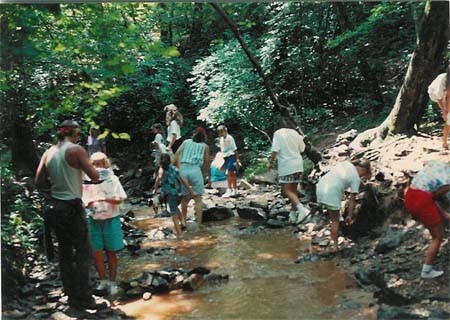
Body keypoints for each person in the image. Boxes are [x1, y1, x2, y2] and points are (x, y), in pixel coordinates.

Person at [35, 120, 107, 311]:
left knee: (65, 253)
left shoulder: (48, 152)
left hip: (55, 207)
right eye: (78, 134)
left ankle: (70, 294)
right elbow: (94, 176)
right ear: (74, 133)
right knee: (83, 252)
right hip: (72, 207)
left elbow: (39, 181)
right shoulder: (76, 150)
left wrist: (55, 188)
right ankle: (85, 297)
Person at [82, 152, 127, 296]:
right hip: (93, 220)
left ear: (105, 164)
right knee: (97, 252)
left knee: (111, 251)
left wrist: (105, 199)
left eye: (100, 163)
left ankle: (113, 282)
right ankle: (103, 281)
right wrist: (89, 203)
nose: (97, 167)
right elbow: (84, 201)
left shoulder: (112, 179)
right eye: (94, 164)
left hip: (111, 218)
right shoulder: (86, 181)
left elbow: (119, 199)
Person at [404, 160, 450, 279]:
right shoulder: (448, 181)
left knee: (435, 231)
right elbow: (434, 196)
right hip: (422, 202)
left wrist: (444, 213)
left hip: (410, 194)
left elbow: (430, 195)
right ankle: (427, 271)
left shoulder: (436, 163)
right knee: (438, 237)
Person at [316, 159, 371, 252]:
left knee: (333, 213)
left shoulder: (346, 164)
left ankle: (334, 236)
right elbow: (352, 200)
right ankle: (335, 246)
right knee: (335, 220)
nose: (362, 176)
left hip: (321, 186)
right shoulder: (356, 178)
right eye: (364, 173)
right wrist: (350, 215)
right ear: (364, 170)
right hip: (332, 191)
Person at [269, 117, 309, 224]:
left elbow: (275, 150)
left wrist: (271, 162)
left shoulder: (278, 133)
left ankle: (302, 209)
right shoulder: (296, 133)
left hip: (287, 166)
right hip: (298, 165)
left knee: (286, 190)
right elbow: (302, 149)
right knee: (293, 190)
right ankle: (293, 214)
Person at [174, 127, 210, 227]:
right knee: (198, 199)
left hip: (183, 169)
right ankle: (199, 224)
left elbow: (176, 155)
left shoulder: (186, 142)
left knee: (184, 198)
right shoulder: (205, 146)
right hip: (195, 170)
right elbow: (207, 162)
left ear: (194, 134)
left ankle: (184, 222)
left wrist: (174, 168)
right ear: (204, 136)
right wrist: (208, 175)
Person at [153, 153, 192, 237]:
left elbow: (158, 179)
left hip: (171, 194)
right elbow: (183, 180)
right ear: (170, 161)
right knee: (175, 207)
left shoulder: (161, 170)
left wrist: (155, 190)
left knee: (173, 214)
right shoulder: (175, 169)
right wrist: (190, 190)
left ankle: (179, 235)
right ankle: (183, 223)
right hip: (179, 193)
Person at [428, 66, 450, 150]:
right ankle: (444, 142)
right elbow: (439, 98)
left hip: (446, 95)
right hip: (435, 93)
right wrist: (444, 111)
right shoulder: (442, 79)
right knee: (448, 119)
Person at [217, 125, 240, 197]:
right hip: (225, 157)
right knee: (230, 174)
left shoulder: (230, 138)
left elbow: (235, 149)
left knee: (229, 173)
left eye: (222, 132)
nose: (221, 134)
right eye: (219, 133)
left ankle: (230, 189)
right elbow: (222, 151)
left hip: (231, 156)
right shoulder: (221, 139)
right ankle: (233, 189)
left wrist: (237, 159)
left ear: (225, 131)